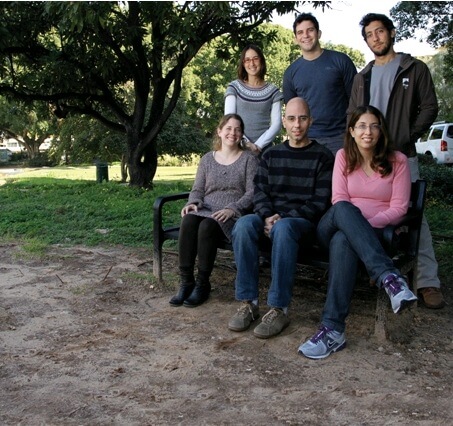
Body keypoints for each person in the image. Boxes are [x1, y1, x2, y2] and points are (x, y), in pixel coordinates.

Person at [299, 105, 418, 359]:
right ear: (352, 131)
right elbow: (338, 198)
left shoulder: (398, 161)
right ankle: (390, 278)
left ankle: (333, 330)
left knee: (346, 240)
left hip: (369, 235)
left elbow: (399, 208)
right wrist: (358, 226)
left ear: (381, 130)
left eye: (374, 125)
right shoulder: (343, 156)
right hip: (332, 226)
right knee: (343, 208)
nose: (368, 132)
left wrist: (361, 228)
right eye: (362, 126)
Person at [347, 13, 445, 309]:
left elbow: (429, 107)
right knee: (364, 208)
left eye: (379, 31)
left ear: (391, 32)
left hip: (401, 155)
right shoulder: (361, 77)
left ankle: (427, 281)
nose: (375, 38)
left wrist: (406, 138)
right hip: (366, 157)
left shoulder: (413, 68)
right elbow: (352, 114)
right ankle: (374, 269)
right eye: (369, 35)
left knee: (415, 216)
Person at [228, 97, 334, 339]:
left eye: (303, 118)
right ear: (284, 121)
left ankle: (279, 308)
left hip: (301, 226)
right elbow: (260, 192)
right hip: (270, 221)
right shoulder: (271, 155)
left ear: (311, 121)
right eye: (292, 118)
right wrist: (266, 217)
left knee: (284, 228)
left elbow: (319, 202)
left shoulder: (323, 156)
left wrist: (281, 218)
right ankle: (249, 303)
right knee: (244, 224)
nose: (297, 124)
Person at [169, 114, 258, 308]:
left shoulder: (248, 160)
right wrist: (192, 202)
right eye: (228, 128)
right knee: (189, 220)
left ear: (241, 134)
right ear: (219, 131)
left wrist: (232, 209)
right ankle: (186, 282)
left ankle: (202, 284)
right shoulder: (208, 159)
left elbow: (252, 193)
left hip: (230, 213)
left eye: (237, 129)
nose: (232, 133)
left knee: (208, 225)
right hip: (206, 208)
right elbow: (198, 189)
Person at [283, 13, 357, 154]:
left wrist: (351, 134)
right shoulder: (291, 73)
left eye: (310, 30)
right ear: (295, 38)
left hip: (340, 139)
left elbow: (356, 102)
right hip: (308, 140)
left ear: (319, 33)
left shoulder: (341, 61)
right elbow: (293, 111)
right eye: (300, 32)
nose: (305, 35)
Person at [224, 44, 283, 155]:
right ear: (243, 63)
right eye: (247, 60)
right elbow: (229, 120)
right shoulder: (234, 87)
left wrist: (258, 146)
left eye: (255, 59)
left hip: (264, 151)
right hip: (237, 148)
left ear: (261, 61)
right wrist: (245, 143)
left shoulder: (273, 91)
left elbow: (277, 124)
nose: (251, 63)